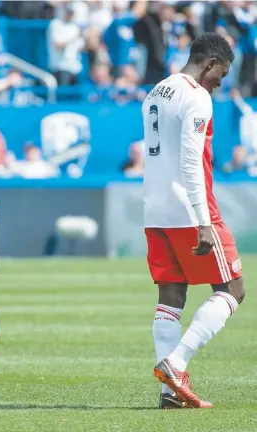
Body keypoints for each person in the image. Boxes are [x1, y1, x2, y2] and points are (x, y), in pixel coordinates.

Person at [142, 32, 244, 409]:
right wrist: (203, 219)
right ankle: (176, 363)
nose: (221, 82)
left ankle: (170, 395)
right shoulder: (196, 96)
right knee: (232, 290)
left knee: (171, 295)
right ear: (210, 63)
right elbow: (190, 162)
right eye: (222, 73)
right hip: (190, 210)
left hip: (155, 209)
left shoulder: (156, 91)